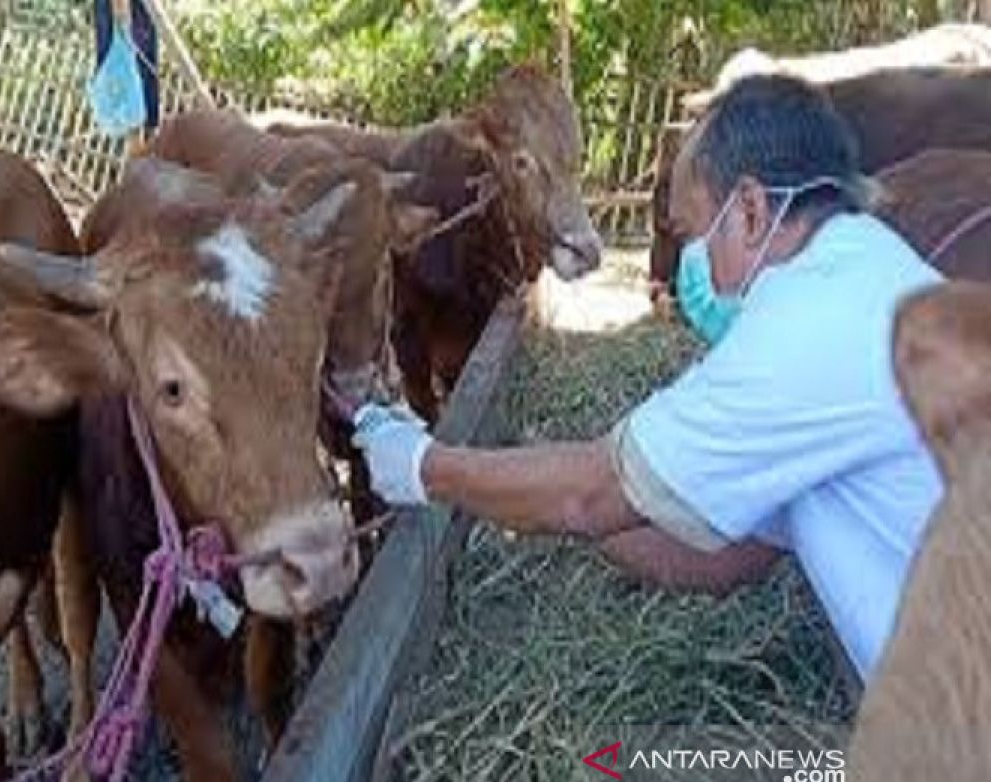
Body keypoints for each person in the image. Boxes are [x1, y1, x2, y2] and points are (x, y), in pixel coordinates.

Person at [351, 74, 944, 682]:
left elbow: (588, 493)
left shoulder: (808, 326)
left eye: (689, 236)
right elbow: (724, 558)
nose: (689, 266)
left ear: (749, 211)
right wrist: (534, 492)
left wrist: (425, 466)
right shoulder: (872, 269)